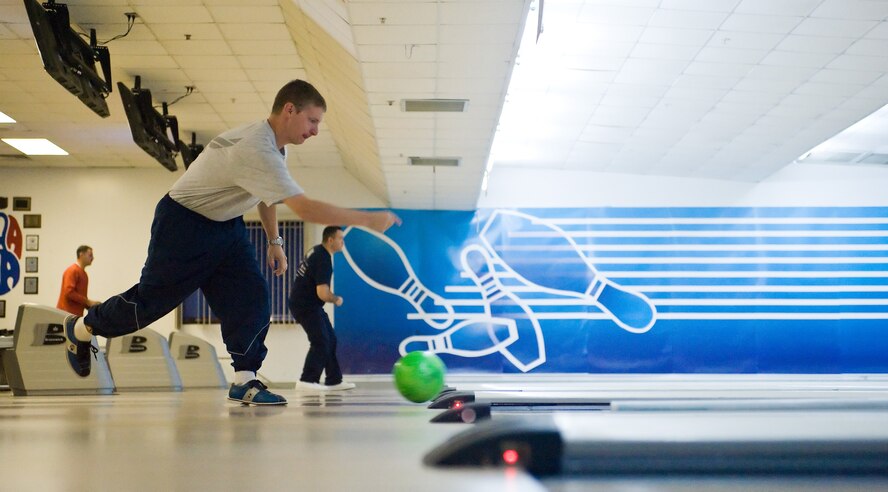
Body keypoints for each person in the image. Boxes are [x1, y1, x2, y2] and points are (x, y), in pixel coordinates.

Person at [63, 79, 401, 406]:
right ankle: (82, 327)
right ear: (289, 110)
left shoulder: (275, 149)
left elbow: (265, 195)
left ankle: (245, 381)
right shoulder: (255, 147)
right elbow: (304, 207)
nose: (315, 130)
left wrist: (274, 240)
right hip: (184, 223)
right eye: (312, 121)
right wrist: (368, 219)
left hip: (227, 227)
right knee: (150, 302)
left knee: (252, 298)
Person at [289, 226, 352, 391]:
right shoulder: (323, 259)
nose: (342, 242)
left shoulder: (316, 251)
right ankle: (307, 381)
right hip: (305, 305)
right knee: (320, 341)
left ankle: (334, 380)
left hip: (309, 304)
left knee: (330, 339)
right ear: (330, 240)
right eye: (340, 239)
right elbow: (323, 293)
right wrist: (336, 299)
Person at [56, 245, 101, 316]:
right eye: (90, 255)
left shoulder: (84, 274)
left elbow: (79, 297)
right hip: (65, 316)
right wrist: (88, 302)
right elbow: (69, 292)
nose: (92, 258)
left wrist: (90, 305)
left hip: (74, 316)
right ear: (81, 254)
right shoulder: (72, 270)